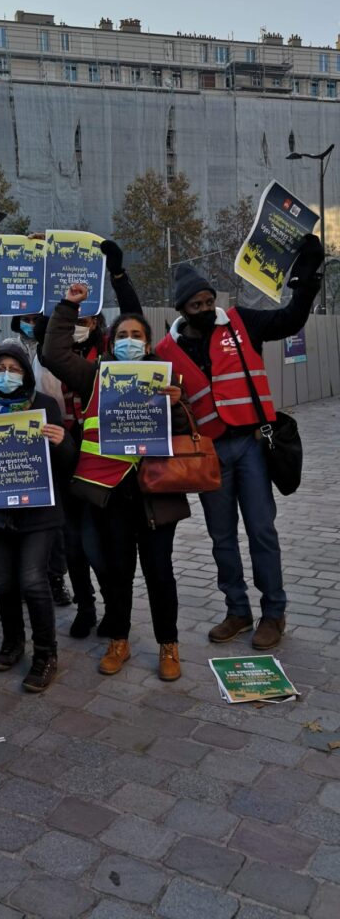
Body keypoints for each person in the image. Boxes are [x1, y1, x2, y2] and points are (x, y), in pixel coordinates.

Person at [155, 236, 324, 650]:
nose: (205, 308)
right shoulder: (165, 352)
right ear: (182, 312)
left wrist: (305, 275)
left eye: (208, 300)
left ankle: (274, 613)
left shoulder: (240, 322)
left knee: (261, 530)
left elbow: (290, 319)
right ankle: (237, 610)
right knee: (222, 537)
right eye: (196, 305)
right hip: (210, 455)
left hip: (250, 446)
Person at [43, 284, 192, 681]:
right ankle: (119, 640)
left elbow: (181, 432)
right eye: (122, 336)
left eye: (137, 336)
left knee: (160, 572)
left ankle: (169, 645)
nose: (130, 342)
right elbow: (53, 354)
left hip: (156, 492)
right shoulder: (95, 375)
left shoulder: (167, 378)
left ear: (147, 343)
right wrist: (69, 306)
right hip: (110, 492)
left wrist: (176, 404)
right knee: (118, 572)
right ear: (111, 341)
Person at [0, 341, 77, 692]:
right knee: (4, 582)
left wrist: (62, 441)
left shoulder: (45, 405)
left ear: (25, 372)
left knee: (33, 581)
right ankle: (12, 642)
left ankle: (45, 653)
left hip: (38, 510)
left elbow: (67, 465)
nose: (6, 376)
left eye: (15, 369)